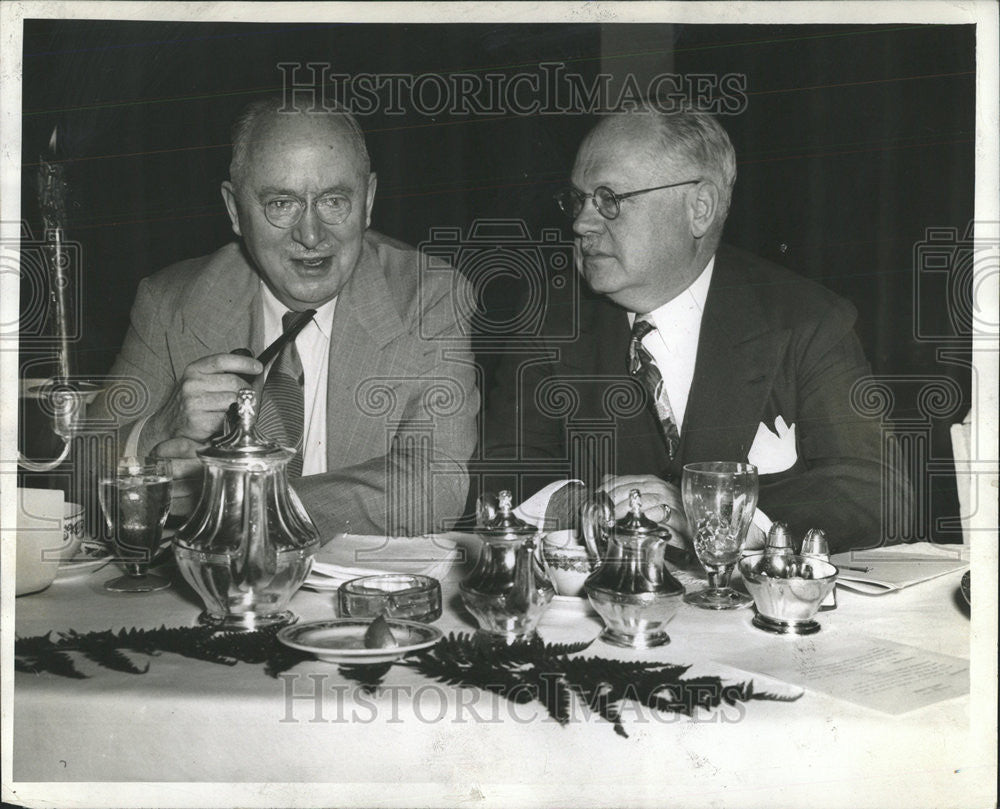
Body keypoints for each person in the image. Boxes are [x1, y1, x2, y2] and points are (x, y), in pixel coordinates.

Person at [481, 106, 911, 553]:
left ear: (699, 209)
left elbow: (876, 488)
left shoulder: (804, 320)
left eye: (609, 199)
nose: (581, 223)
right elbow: (500, 470)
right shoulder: (548, 326)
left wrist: (713, 514)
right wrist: (585, 508)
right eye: (578, 200)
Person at [91, 97, 478, 539]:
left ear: (368, 200)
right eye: (281, 203)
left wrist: (247, 505)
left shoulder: (427, 296)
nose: (311, 235)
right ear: (235, 211)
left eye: (334, 201)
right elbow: (76, 472)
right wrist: (156, 432)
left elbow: (435, 483)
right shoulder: (171, 301)